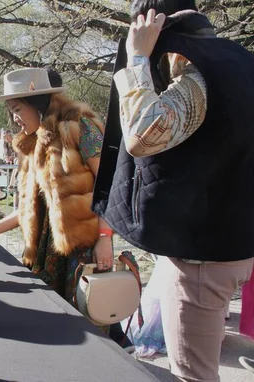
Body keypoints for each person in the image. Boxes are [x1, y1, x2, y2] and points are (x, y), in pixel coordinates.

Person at [91, 2, 254, 381]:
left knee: (193, 375)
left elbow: (143, 136)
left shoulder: (200, 77)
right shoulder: (244, 64)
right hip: (240, 241)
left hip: (204, 255)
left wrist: (137, 58)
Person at [0, 68, 113, 303]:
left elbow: (109, 182)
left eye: (17, 109)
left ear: (38, 103)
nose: (14, 118)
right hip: (44, 251)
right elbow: (30, 206)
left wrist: (105, 238)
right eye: (11, 111)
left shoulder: (78, 125)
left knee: (88, 322)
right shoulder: (32, 142)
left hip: (84, 249)